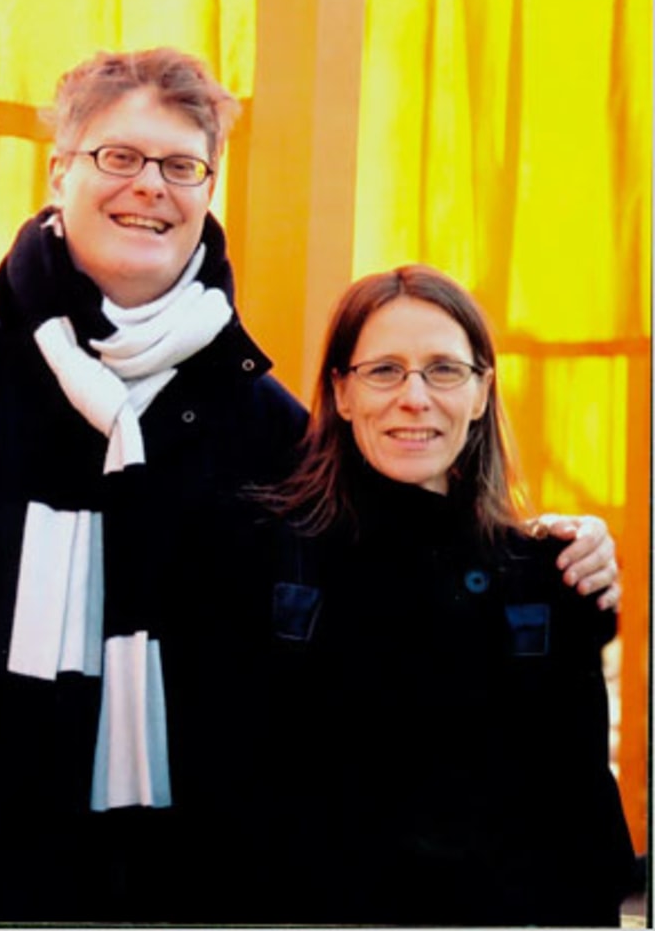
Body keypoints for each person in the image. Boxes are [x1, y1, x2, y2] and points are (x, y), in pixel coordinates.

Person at [0, 47, 621, 923]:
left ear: (210, 187)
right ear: (59, 170)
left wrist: (554, 555)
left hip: (189, 878)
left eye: (180, 165)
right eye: (118, 156)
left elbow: (399, 570)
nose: (148, 187)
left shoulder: (267, 424)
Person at [263, 264, 637, 926]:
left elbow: (581, 830)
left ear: (482, 390)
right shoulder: (270, 563)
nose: (414, 396)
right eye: (384, 370)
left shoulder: (547, 579)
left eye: (442, 369)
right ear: (341, 392)